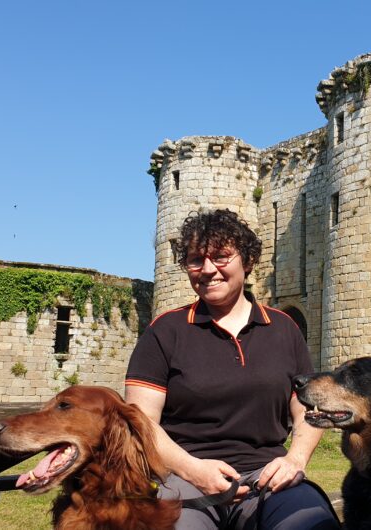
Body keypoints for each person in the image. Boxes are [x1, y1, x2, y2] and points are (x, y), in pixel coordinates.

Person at [125, 209, 339, 530]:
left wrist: (294, 460)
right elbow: (139, 421)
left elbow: (309, 408)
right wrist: (193, 470)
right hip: (185, 478)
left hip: (267, 478)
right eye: (196, 260)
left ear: (248, 262)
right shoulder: (165, 331)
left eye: (222, 256)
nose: (208, 269)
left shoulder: (283, 328)